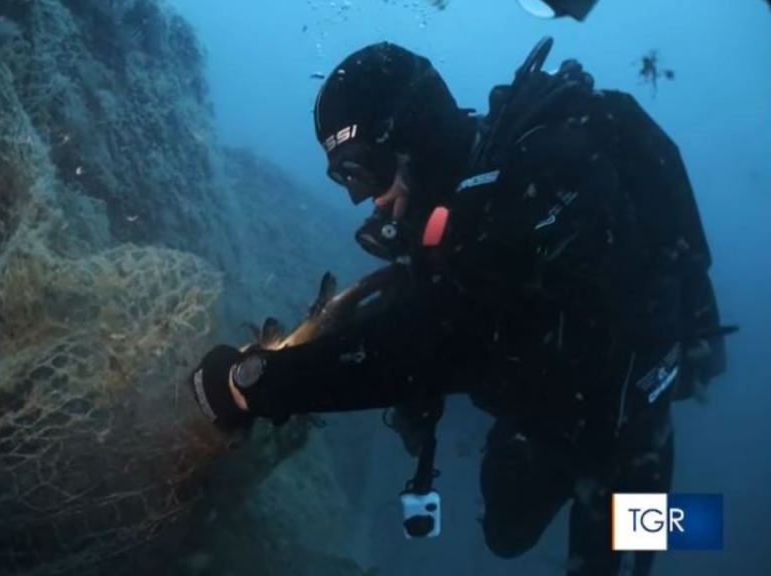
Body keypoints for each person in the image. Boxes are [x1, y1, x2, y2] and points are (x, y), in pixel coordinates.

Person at [188, 39, 729, 576]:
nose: (364, 198)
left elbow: (437, 344)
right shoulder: (459, 203)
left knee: (612, 542)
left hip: (619, 415)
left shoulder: (534, 186)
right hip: (544, 405)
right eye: (346, 178)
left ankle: (708, 526)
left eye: (365, 171)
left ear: (413, 138)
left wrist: (254, 382)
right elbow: (437, 317)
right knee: (506, 534)